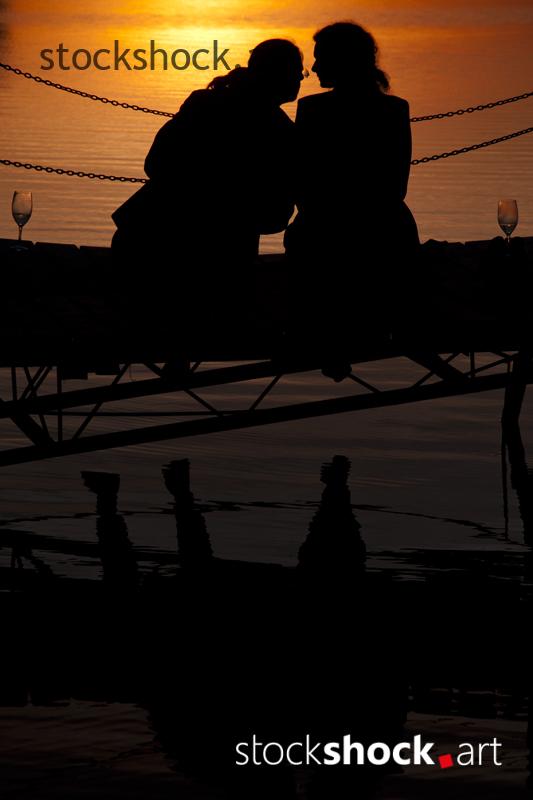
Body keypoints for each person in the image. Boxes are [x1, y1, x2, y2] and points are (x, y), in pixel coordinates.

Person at [111, 39, 304, 311]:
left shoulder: (204, 102)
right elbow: (274, 217)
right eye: (298, 71)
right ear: (278, 75)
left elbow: (155, 163)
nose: (301, 79)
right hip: (216, 258)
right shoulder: (280, 131)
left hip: (144, 235)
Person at [284, 22, 419, 364]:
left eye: (321, 59)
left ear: (342, 61)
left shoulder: (312, 109)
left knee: (307, 237)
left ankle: (321, 327)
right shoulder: (394, 109)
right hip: (383, 229)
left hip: (326, 230)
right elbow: (396, 187)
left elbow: (302, 182)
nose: (314, 68)